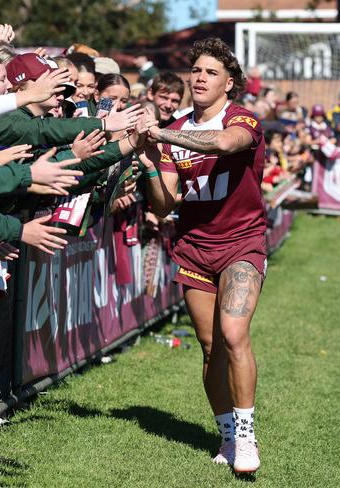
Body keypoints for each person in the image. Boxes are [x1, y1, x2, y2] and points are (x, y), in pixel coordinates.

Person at [138, 37, 267, 474]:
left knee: (233, 335)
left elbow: (224, 144)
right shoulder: (173, 129)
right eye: (196, 70)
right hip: (194, 246)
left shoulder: (242, 118)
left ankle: (248, 437)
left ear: (229, 83)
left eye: (211, 72)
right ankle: (227, 434)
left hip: (242, 243)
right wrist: (152, 162)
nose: (199, 77)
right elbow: (163, 204)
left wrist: (163, 133)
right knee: (210, 347)